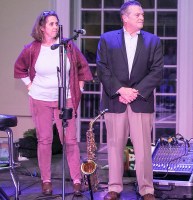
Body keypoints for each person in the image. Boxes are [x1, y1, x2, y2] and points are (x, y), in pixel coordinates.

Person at [14, 11, 93, 196]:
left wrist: (78, 89)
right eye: (51, 24)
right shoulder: (32, 48)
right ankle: (46, 181)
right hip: (40, 98)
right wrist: (29, 85)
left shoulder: (68, 46)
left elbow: (83, 67)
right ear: (41, 27)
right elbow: (19, 68)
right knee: (45, 140)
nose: (55, 26)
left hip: (64, 99)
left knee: (70, 140)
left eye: (56, 23)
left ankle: (76, 180)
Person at [96, 1, 163, 200]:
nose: (141, 17)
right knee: (115, 146)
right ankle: (114, 188)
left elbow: (157, 72)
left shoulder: (153, 41)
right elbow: (102, 68)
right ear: (125, 18)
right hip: (115, 101)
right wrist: (120, 90)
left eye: (142, 14)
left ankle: (146, 190)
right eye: (137, 15)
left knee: (142, 148)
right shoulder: (107, 39)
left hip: (140, 101)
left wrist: (135, 91)